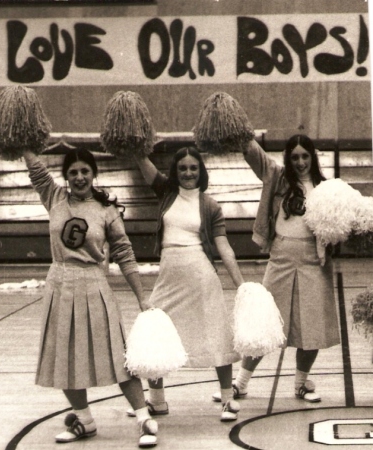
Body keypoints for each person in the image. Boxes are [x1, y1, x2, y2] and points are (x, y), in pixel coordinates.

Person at [21, 147, 159, 448]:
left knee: (118, 355)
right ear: (65, 177)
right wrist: (22, 144)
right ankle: (83, 419)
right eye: (73, 172)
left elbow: (124, 252)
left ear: (94, 173)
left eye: (85, 171)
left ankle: (143, 417)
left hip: (94, 284)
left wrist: (141, 298)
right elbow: (35, 167)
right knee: (65, 357)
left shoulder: (106, 209)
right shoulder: (54, 197)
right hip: (59, 285)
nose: (80, 177)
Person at [212, 134, 340, 404]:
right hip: (280, 257)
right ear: (287, 159)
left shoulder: (327, 188)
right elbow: (254, 154)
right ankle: (241, 383)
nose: (301, 162)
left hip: (314, 262)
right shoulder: (277, 178)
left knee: (311, 327)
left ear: (313, 157)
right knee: (263, 323)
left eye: (305, 156)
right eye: (295, 157)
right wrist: (240, 131)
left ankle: (301, 384)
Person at [128, 146, 245, 422]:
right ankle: (156, 402)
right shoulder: (166, 194)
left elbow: (223, 246)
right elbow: (142, 162)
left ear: (201, 171)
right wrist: (130, 143)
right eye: (182, 168)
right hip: (169, 276)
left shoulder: (211, 205)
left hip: (201, 276)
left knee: (216, 334)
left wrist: (241, 284)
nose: (188, 173)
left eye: (194, 168)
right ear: (175, 172)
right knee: (155, 329)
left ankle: (228, 400)